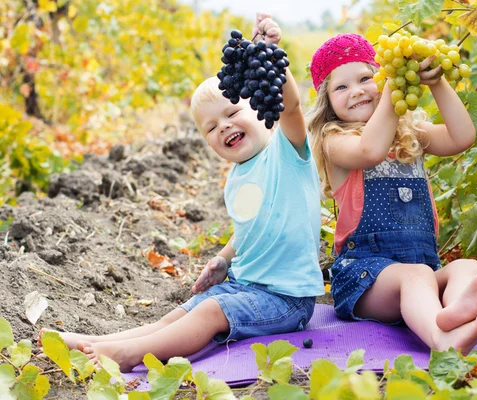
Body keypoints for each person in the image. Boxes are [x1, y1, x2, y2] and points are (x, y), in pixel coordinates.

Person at [37, 13, 324, 372]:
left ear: (258, 105)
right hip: (244, 285)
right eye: (211, 127)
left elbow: (292, 108)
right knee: (175, 317)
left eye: (233, 112)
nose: (225, 126)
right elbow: (251, 231)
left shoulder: (287, 151)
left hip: (287, 299)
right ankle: (96, 342)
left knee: (208, 313)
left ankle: (131, 355)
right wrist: (222, 261)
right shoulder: (237, 176)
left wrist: (266, 56)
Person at [306, 33, 477, 354]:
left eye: (366, 78)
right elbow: (370, 150)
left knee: (467, 268)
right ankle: (442, 337)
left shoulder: (408, 132)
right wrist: (393, 88)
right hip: (364, 280)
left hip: (424, 276)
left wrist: (436, 81)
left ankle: (458, 315)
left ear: (380, 77)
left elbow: (462, 136)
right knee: (414, 276)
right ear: (327, 101)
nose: (358, 90)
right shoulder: (334, 140)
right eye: (341, 87)